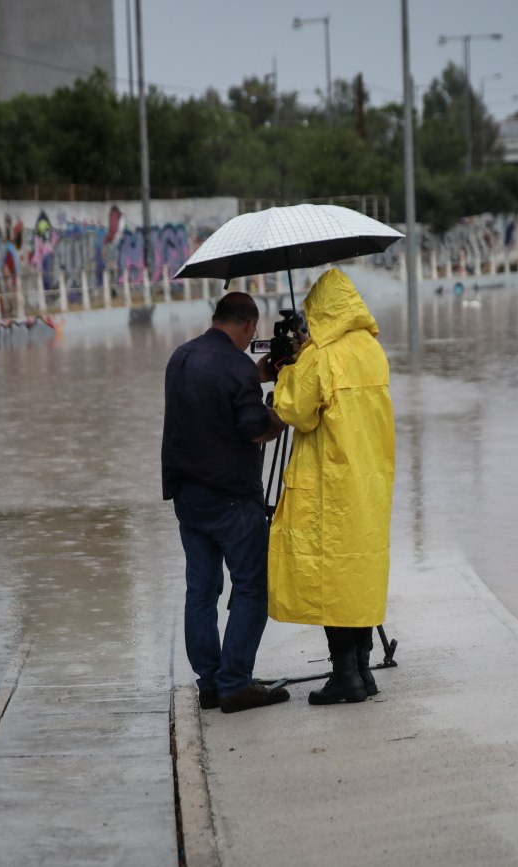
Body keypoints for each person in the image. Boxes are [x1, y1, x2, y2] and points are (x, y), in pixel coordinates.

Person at [267, 269, 396, 705]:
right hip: (369, 480)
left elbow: (295, 411)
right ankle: (362, 670)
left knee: (332, 576)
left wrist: (289, 370)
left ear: (320, 311)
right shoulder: (372, 350)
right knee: (358, 572)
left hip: (330, 483)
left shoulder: (322, 356)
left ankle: (345, 676)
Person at [162, 291, 289, 714]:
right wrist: (283, 413)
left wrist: (254, 376)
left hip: (187, 496)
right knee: (252, 589)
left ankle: (211, 684)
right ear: (250, 326)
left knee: (201, 591)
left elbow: (210, 404)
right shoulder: (236, 367)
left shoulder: (181, 357)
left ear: (217, 318)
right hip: (233, 499)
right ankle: (236, 684)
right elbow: (255, 429)